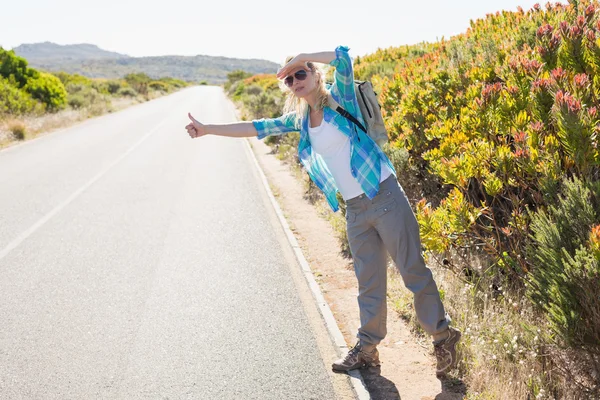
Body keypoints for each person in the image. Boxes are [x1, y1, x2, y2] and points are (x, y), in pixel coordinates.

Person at [185, 45, 461, 377]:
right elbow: (257, 127)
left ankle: (443, 339)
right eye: (288, 79)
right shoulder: (301, 120)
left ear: (315, 74)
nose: (295, 81)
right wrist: (208, 129)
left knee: (412, 272)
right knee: (368, 283)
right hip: (356, 209)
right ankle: (368, 350)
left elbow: (343, 58)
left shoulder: (339, 99)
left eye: (301, 73)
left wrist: (301, 55)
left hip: (384, 194)